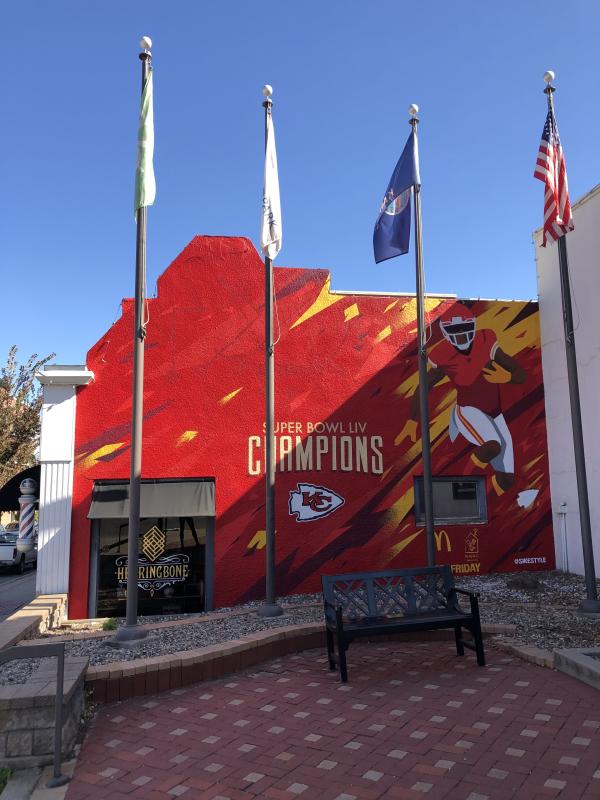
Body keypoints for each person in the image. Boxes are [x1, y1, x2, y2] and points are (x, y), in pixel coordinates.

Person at [402, 303, 526, 495]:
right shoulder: (442, 354)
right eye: (454, 331)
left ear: (473, 326)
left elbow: (520, 373)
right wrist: (412, 419)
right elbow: (424, 386)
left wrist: (507, 377)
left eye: (464, 329)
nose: (460, 336)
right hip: (468, 411)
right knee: (493, 446)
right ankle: (461, 486)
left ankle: (487, 506)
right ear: (445, 332)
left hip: (495, 412)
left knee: (507, 480)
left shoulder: (486, 339)